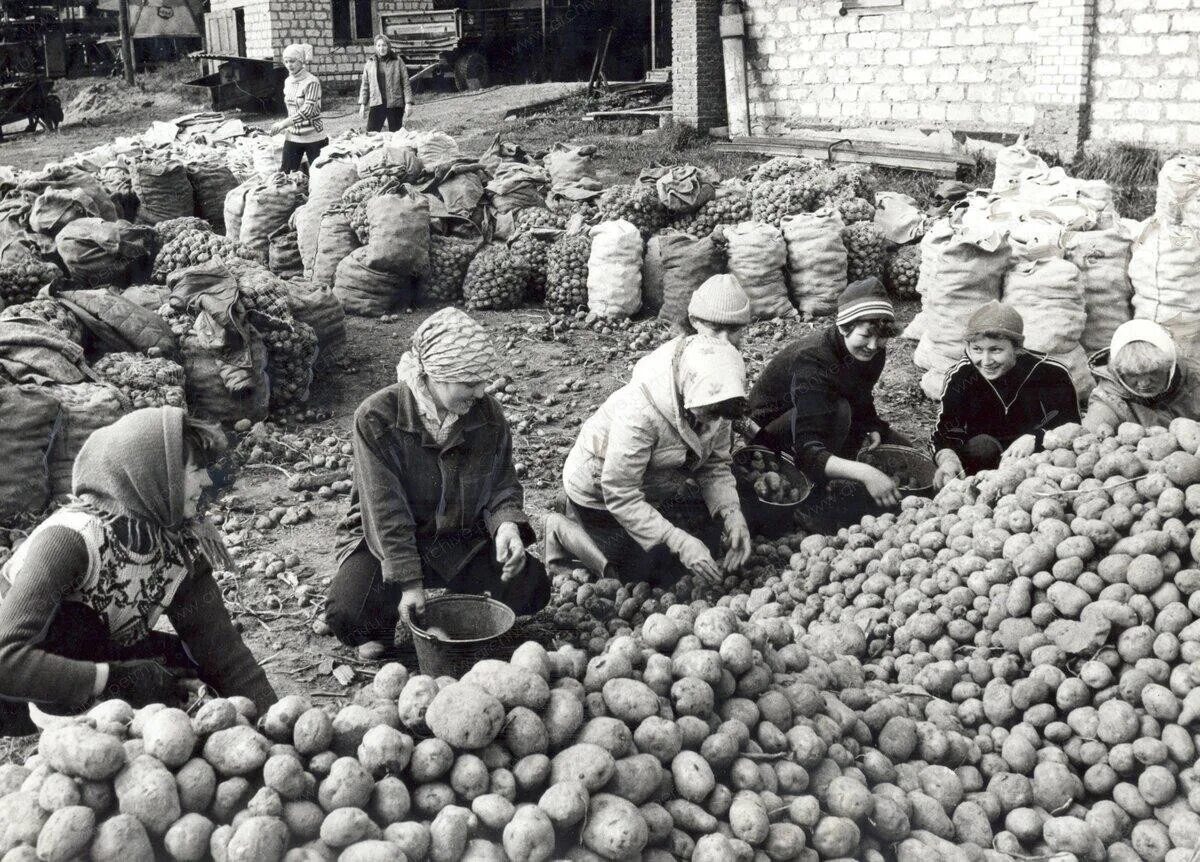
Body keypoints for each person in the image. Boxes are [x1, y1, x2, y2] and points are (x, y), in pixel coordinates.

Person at [0, 407, 277, 736]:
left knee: (187, 663)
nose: (207, 480)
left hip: (93, 652)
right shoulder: (70, 540)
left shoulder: (179, 543)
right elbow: (7, 660)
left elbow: (223, 651)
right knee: (81, 629)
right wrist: (114, 679)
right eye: (197, 469)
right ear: (156, 476)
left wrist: (275, 723)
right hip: (19, 688)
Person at [326, 308, 549, 660]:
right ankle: (386, 619)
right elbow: (386, 512)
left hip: (458, 538)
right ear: (435, 375)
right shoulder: (376, 418)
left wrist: (507, 525)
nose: (481, 391)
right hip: (384, 542)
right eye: (470, 383)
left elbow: (502, 483)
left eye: (483, 381)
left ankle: (458, 606)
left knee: (532, 586)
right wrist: (409, 583)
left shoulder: (487, 414)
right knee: (348, 615)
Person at [547, 334, 753, 587]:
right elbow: (620, 492)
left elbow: (714, 465)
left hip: (655, 482)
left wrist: (731, 513)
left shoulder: (718, 404)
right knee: (642, 575)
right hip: (600, 489)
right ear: (687, 390)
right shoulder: (640, 413)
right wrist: (678, 541)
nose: (714, 421)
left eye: (720, 414)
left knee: (704, 543)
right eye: (710, 412)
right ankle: (562, 526)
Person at [747, 277, 910, 530]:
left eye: (881, 338)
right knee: (840, 412)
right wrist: (867, 474)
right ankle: (814, 499)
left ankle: (840, 468)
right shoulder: (813, 360)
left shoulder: (873, 349)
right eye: (865, 335)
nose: (873, 345)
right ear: (844, 327)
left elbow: (861, 393)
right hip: (771, 435)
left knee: (901, 447)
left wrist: (872, 425)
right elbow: (807, 449)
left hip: (820, 411)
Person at [931, 301, 1080, 488]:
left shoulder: (1052, 375)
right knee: (982, 447)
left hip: (1038, 467)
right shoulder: (961, 377)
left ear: (1017, 348)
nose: (985, 361)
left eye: (995, 350)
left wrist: (1037, 437)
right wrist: (947, 459)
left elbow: (1072, 429)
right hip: (982, 470)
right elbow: (944, 433)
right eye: (977, 349)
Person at [1083, 319, 1200, 431]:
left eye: (1153, 372)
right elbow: (1088, 440)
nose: (1144, 383)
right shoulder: (1108, 402)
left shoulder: (1195, 378)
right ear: (1118, 372)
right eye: (1132, 374)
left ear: (1170, 366)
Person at [272, 44, 327, 173]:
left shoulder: (312, 82)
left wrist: (283, 124)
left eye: (292, 61)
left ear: (301, 61)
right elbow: (291, 109)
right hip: (293, 135)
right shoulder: (287, 81)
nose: (289, 65)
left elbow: (307, 110)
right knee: (286, 173)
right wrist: (285, 125)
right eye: (286, 61)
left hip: (314, 136)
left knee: (319, 175)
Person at [677, 274, 754, 349]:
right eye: (715, 329)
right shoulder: (674, 356)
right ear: (694, 321)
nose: (725, 340)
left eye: (733, 329)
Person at [359, 35, 415, 133]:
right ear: (375, 47)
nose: (382, 48)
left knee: (396, 135)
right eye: (379, 45)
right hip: (377, 102)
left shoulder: (398, 61)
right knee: (371, 134)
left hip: (395, 103)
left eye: (384, 45)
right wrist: (363, 104)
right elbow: (365, 85)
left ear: (388, 46)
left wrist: (408, 103)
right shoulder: (370, 63)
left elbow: (406, 83)